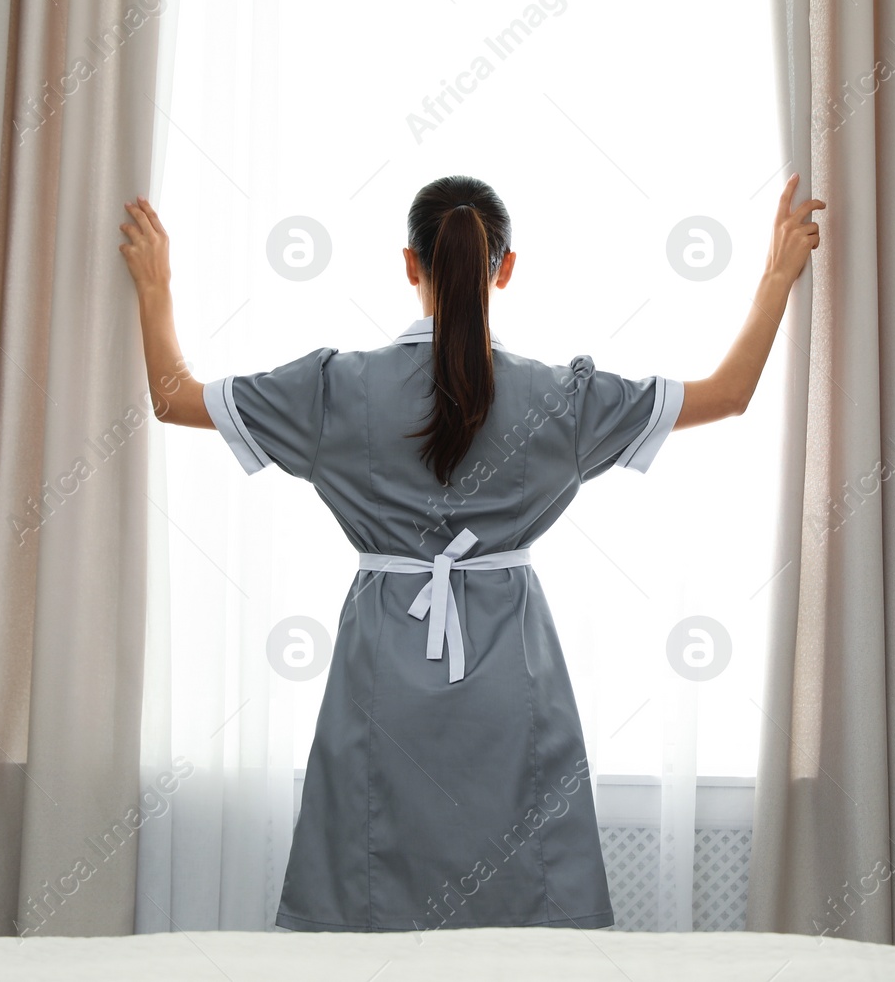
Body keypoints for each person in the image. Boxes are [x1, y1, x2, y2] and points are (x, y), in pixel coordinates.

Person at [119, 174, 822, 932]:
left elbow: (170, 396)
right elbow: (727, 394)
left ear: (410, 265)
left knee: (366, 909)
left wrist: (155, 286)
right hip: (511, 673)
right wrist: (777, 277)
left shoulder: (332, 389)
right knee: (523, 913)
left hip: (379, 671)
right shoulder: (563, 398)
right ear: (506, 267)